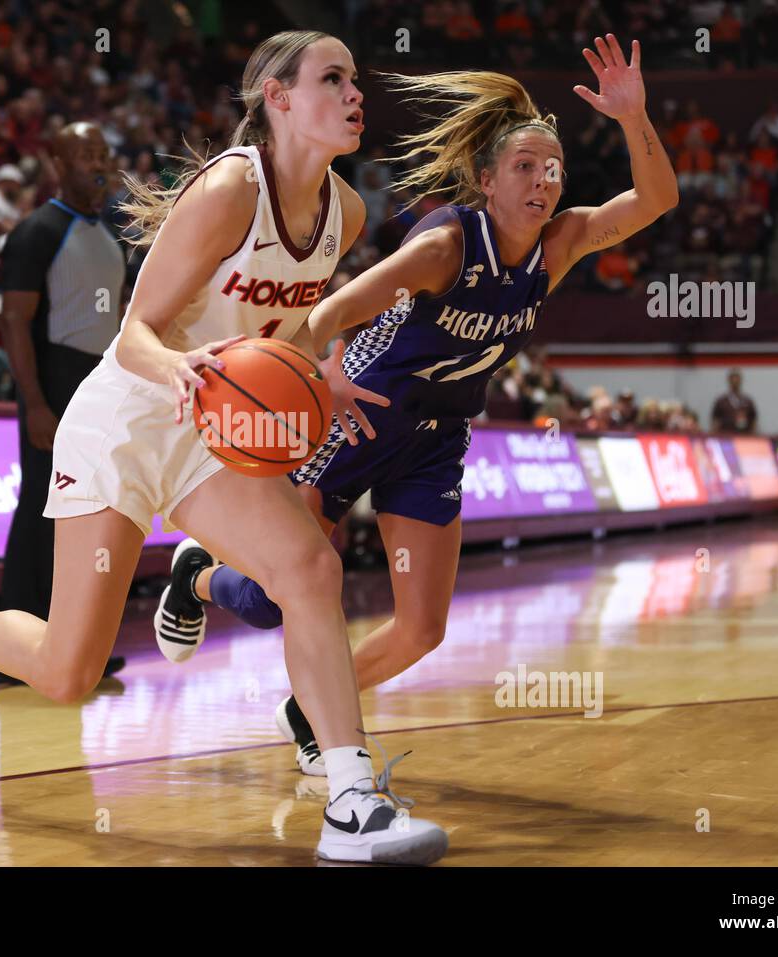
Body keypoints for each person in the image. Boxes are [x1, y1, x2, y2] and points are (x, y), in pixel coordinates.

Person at [0, 31, 450, 866]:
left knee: (310, 567)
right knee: (68, 672)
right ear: (277, 98)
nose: (356, 92)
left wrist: (325, 370)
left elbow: (292, 320)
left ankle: (351, 797)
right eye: (333, 77)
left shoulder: (344, 211)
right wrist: (179, 366)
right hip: (130, 420)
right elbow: (133, 330)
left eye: (355, 78)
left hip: (210, 432)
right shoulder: (230, 187)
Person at [164, 35, 678, 776]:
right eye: (524, 168)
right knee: (279, 597)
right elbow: (328, 311)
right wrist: (328, 379)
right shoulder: (444, 248)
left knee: (421, 628)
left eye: (552, 170)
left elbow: (657, 199)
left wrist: (633, 117)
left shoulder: (559, 244)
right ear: (485, 179)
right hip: (361, 414)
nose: (542, 182)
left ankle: (310, 706)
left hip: (437, 438)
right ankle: (197, 575)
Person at [0, 121, 127, 686]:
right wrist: (35, 403)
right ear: (57, 164)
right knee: (37, 513)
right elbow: (13, 322)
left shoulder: (114, 235)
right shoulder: (36, 232)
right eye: (82, 154)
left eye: (102, 151)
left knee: (88, 515)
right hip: (52, 378)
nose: (96, 162)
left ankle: (71, 646)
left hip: (97, 381)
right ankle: (11, 649)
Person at [710, 368, 758, 433]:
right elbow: (715, 421)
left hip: (744, 436)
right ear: (729, 380)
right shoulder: (721, 401)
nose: (735, 380)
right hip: (726, 436)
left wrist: (754, 436)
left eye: (737, 378)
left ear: (740, 380)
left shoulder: (748, 401)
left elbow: (753, 421)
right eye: (733, 378)